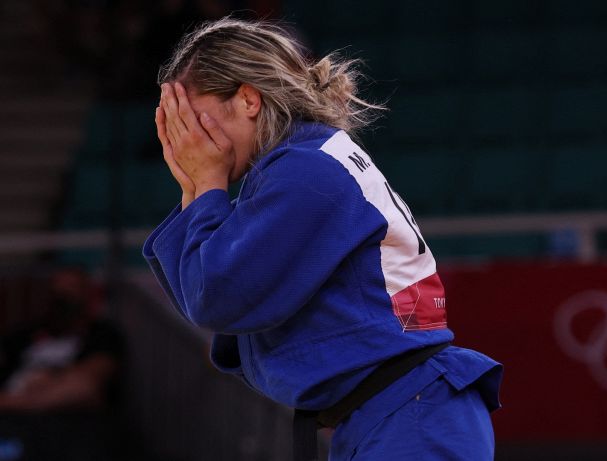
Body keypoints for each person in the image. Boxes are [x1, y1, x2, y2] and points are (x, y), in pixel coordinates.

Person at [143, 18, 502, 461]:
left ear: (248, 100)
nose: (188, 140)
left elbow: (217, 297)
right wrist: (195, 189)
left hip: (410, 413)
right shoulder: (303, 163)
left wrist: (207, 185)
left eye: (194, 119)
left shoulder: (307, 170)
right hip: (390, 416)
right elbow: (213, 304)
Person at [0, 268, 125, 461]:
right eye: (57, 288)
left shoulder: (101, 334)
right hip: (11, 426)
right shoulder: (23, 336)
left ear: (87, 294)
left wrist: (15, 401)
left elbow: (86, 388)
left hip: (70, 428)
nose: (63, 296)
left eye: (72, 288)